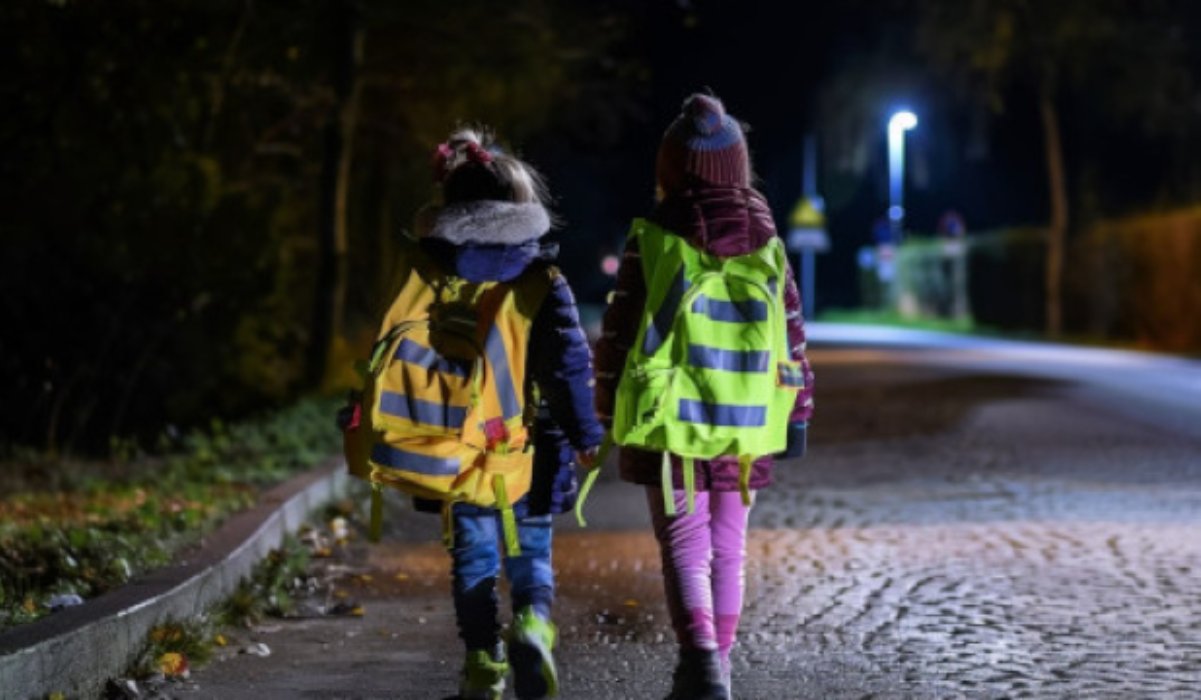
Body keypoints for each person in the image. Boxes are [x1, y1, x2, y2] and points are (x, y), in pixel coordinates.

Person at [593, 94, 814, 700]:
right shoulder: (767, 239)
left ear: (669, 169)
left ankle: (701, 666)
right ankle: (724, 673)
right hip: (749, 417)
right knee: (729, 546)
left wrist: (606, 407)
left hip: (672, 416)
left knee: (686, 546)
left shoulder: (655, 237)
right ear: (740, 166)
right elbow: (792, 334)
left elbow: (620, 332)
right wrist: (797, 413)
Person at [408, 128, 604, 700]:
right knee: (531, 551)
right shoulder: (542, 282)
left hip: (455, 447)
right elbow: (567, 369)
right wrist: (586, 434)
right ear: (524, 207)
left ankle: (482, 666)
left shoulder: (428, 275)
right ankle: (533, 627)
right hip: (531, 446)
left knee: (472, 558)